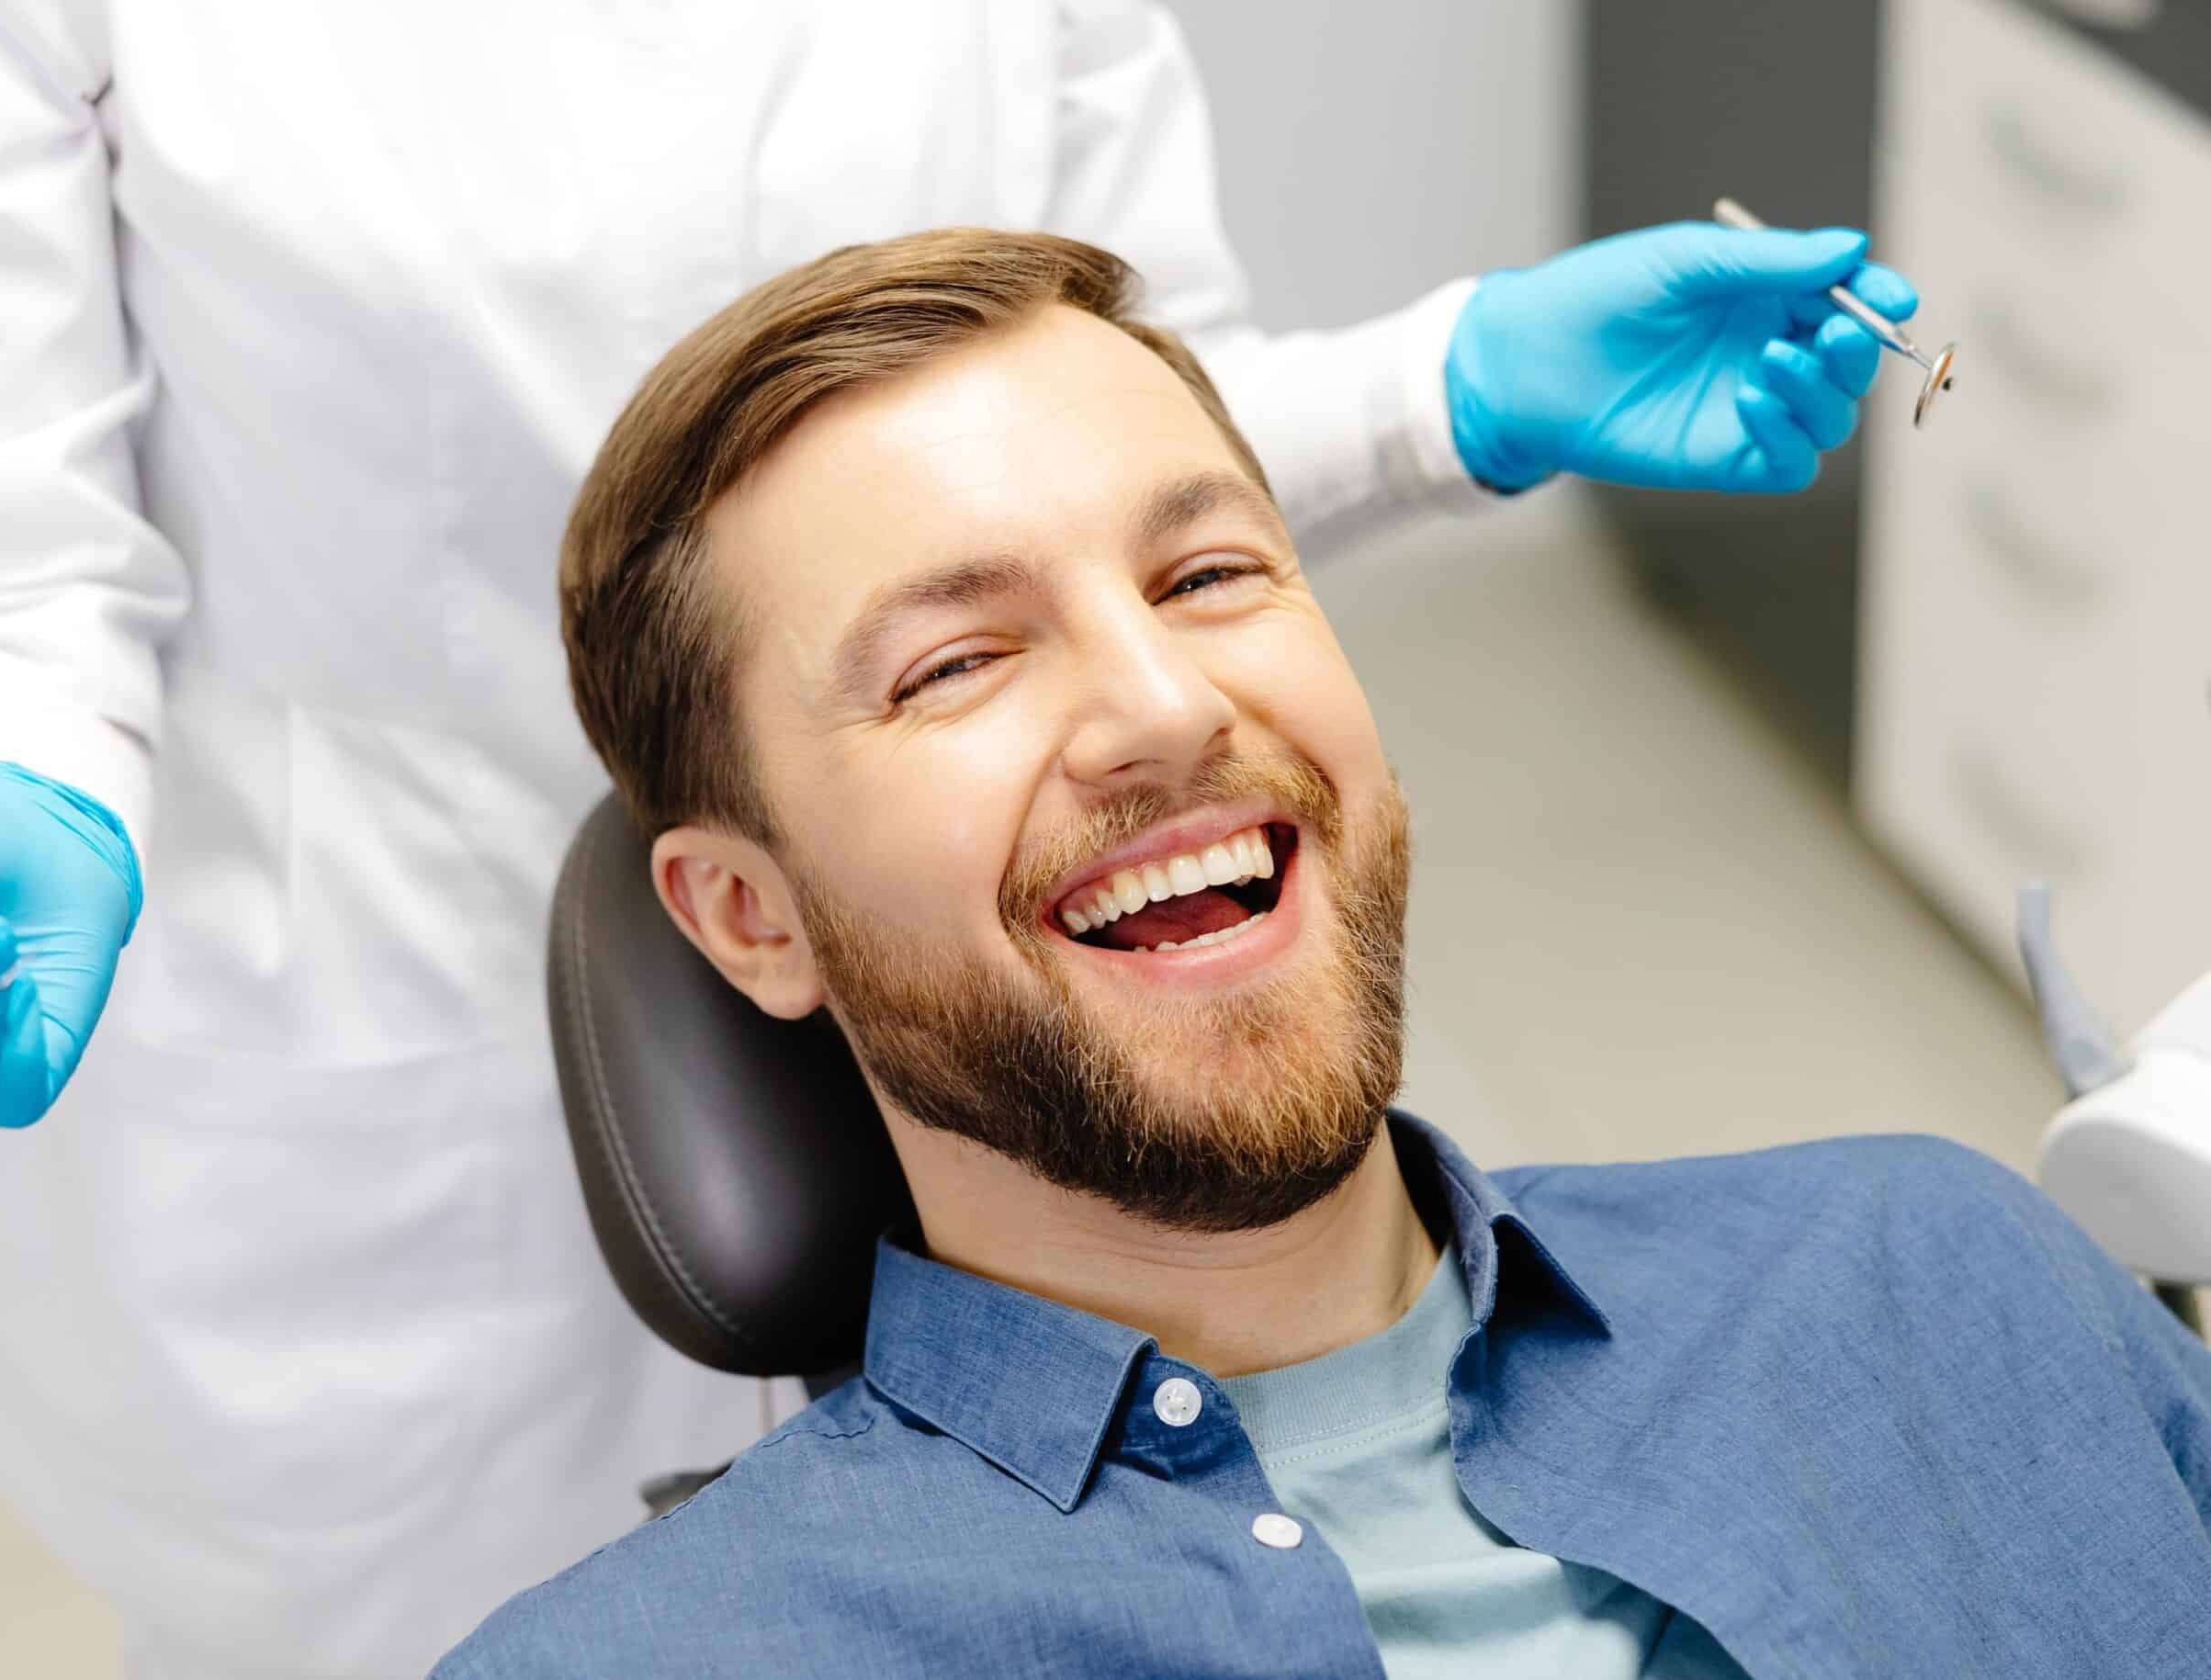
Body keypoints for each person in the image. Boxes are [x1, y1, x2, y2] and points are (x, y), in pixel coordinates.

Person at [0, 4, 1917, 1672]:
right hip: (374, 1066)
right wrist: (10, 769)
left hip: (1005, 1035)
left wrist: (1434, 388)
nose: (1163, 705)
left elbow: (1094, 430)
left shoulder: (1883, 1289)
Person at [433, 228, 2211, 1677]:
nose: (1157, 705)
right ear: (750, 919)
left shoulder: (1937, 1266)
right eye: (955, 664)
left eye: (1206, 575)